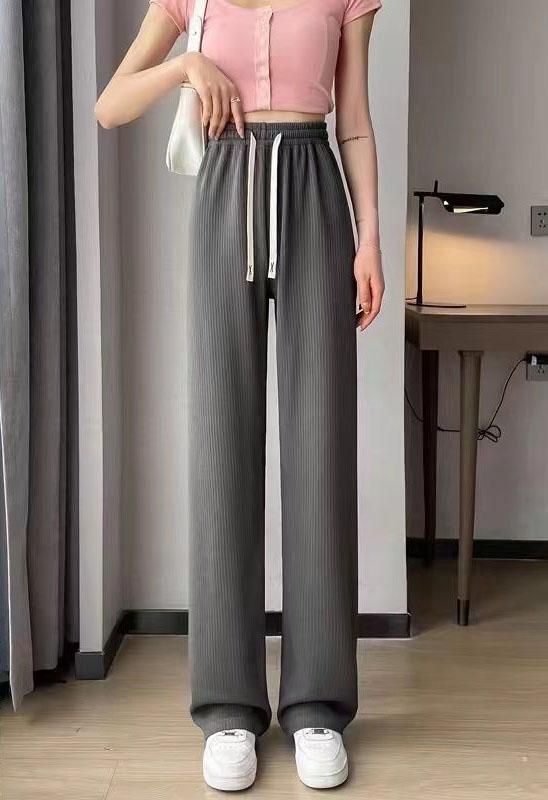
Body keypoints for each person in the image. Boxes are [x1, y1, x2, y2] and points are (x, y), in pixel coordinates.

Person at [95, 0, 384, 791]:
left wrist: (369, 240)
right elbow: (110, 105)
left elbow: (354, 121)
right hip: (225, 189)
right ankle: (228, 711)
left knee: (321, 447)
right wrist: (186, 66)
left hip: (315, 189)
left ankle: (318, 707)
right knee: (221, 447)